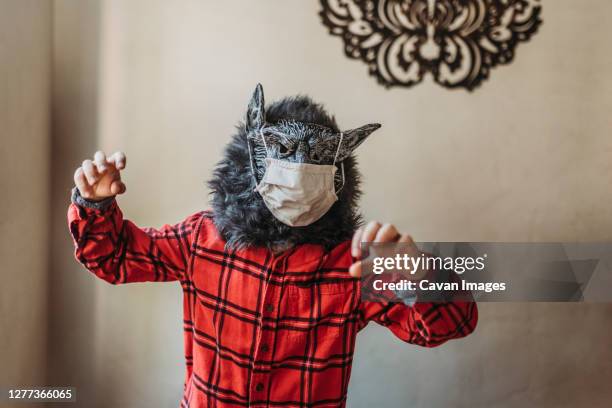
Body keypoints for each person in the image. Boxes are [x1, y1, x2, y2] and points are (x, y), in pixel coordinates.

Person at [68, 84, 477, 407]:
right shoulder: (202, 239)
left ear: (337, 175)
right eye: (284, 151)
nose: (298, 170)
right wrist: (94, 204)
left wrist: (423, 277)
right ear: (250, 160)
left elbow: (448, 325)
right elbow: (115, 258)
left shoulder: (354, 264)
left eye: (315, 158)